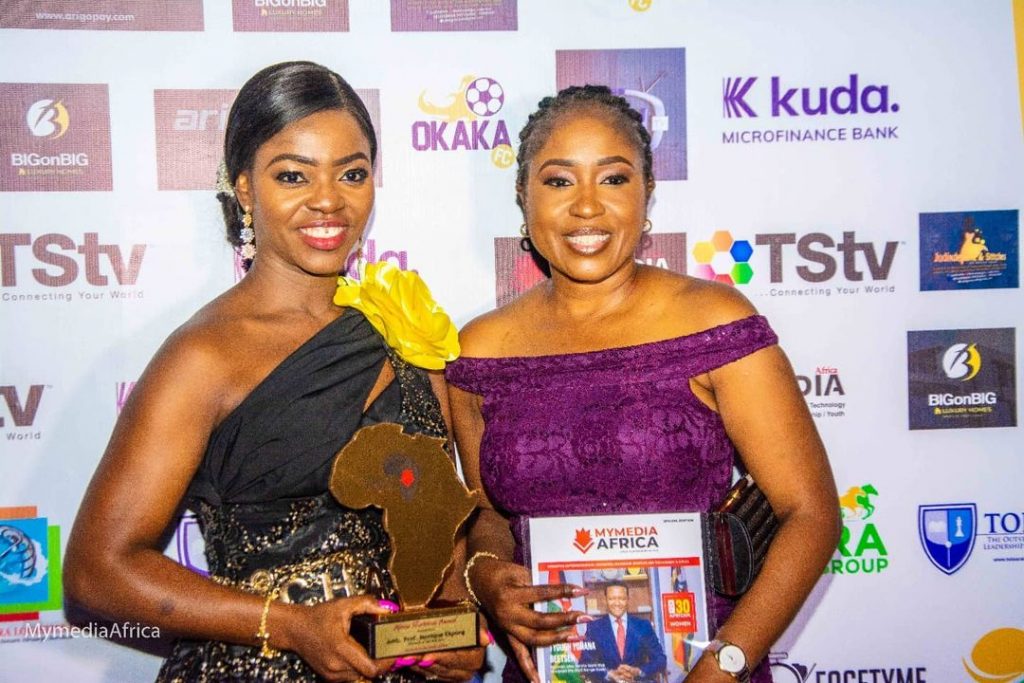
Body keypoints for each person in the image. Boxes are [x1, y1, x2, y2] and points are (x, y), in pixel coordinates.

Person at [64, 61, 483, 683]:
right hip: (255, 668)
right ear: (244, 188)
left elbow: (439, 518)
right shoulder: (205, 354)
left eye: (352, 173)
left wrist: (457, 623)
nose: (328, 200)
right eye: (293, 175)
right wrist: (289, 624)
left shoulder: (408, 327)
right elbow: (98, 570)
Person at [446, 85, 840, 683]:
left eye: (613, 179)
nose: (586, 207)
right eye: (558, 181)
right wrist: (487, 575)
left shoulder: (714, 322)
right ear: (523, 197)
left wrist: (724, 665)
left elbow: (809, 513)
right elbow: (487, 514)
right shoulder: (479, 349)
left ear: (646, 193)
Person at [577, 583, 667, 683]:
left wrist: (638, 671)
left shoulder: (643, 626)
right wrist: (609, 674)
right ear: (605, 600)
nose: (617, 603)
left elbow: (660, 659)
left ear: (628, 600)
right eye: (612, 599)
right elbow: (585, 663)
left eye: (621, 598)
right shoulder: (594, 628)